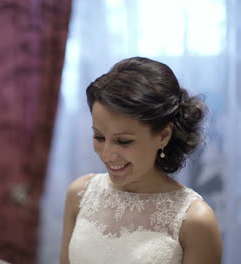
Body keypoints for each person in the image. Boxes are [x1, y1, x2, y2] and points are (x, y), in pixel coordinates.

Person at [60, 57, 222, 264]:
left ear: (163, 135)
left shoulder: (195, 220)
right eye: (99, 137)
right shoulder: (79, 194)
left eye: (124, 141)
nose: (107, 154)